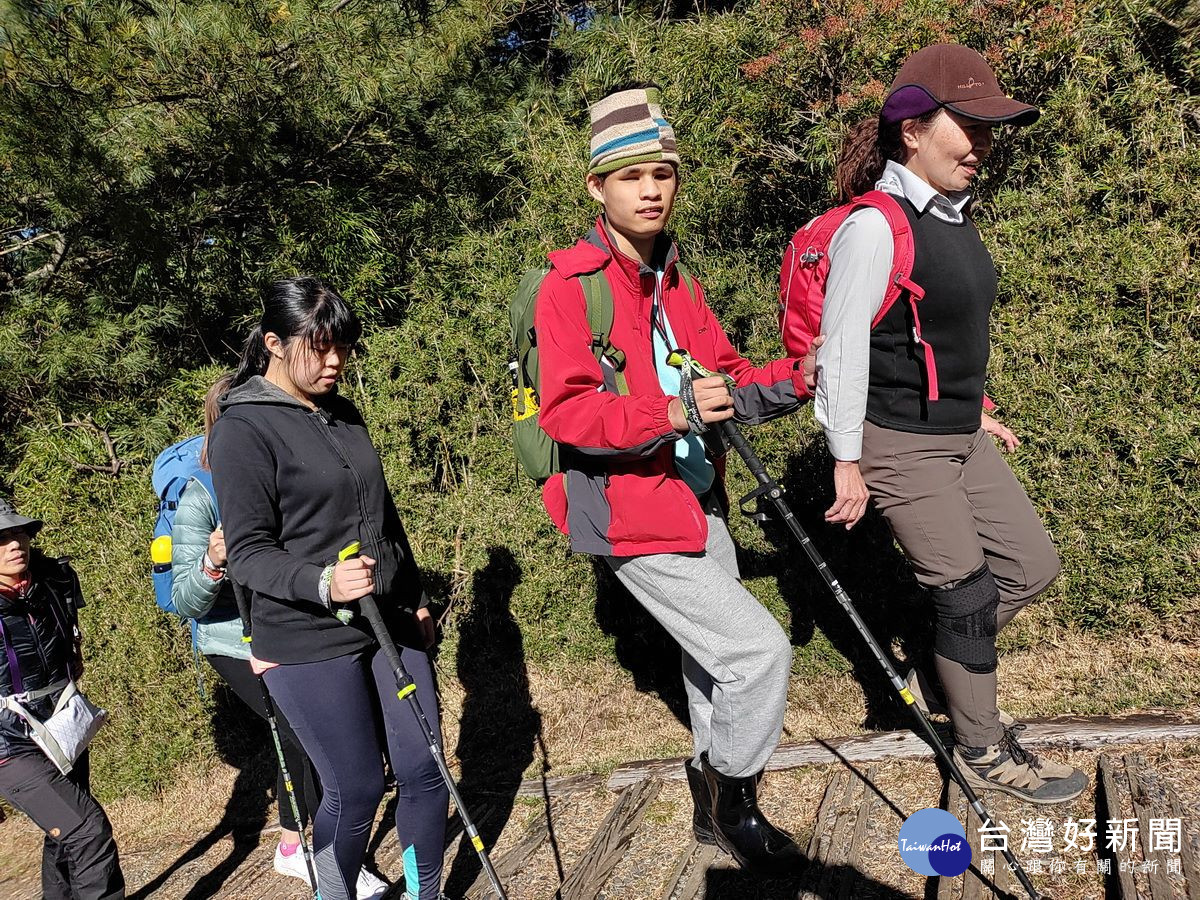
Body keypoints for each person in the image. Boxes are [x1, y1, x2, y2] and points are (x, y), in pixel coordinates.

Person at [533, 85, 819, 873]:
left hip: (699, 499)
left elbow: (725, 377)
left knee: (710, 664)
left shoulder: (676, 277)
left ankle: (709, 809)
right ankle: (734, 800)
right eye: (630, 176)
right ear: (597, 186)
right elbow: (567, 414)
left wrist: (803, 377)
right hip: (627, 511)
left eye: (662, 172)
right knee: (758, 651)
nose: (651, 188)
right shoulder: (570, 287)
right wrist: (672, 411)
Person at [811, 43, 1086, 803]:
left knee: (1031, 567)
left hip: (958, 433)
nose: (984, 143)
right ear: (912, 131)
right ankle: (981, 746)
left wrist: (980, 412)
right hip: (899, 443)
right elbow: (842, 351)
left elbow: (947, 334)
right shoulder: (875, 227)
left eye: (989, 126)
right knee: (965, 595)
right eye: (967, 125)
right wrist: (845, 459)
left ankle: (945, 660)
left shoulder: (954, 216)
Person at [207, 277, 446, 900]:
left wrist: (414, 592)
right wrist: (321, 582)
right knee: (356, 786)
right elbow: (249, 554)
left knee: (424, 768)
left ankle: (427, 893)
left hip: (387, 614)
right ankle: (333, 891)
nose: (336, 360)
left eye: (343, 346)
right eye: (320, 347)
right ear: (274, 345)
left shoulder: (342, 412)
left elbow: (382, 513)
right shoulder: (243, 430)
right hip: (306, 635)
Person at [171, 372, 372, 891]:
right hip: (234, 639)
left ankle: (329, 858)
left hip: (293, 622)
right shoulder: (199, 498)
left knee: (330, 751)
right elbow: (184, 601)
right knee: (302, 735)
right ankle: (302, 851)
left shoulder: (287, 464)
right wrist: (215, 560)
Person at [0, 499, 126, 899]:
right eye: (0, 539)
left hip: (60, 724)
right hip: (7, 743)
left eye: (18, 532)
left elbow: (71, 642)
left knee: (64, 835)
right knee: (88, 831)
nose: (15, 543)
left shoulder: (51, 582)